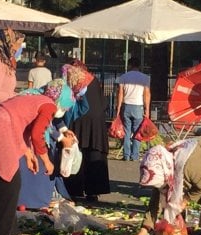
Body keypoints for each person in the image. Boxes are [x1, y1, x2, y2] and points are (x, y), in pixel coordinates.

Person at [0, 93, 75, 235]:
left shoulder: (36, 99)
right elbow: (37, 134)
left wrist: (28, 154)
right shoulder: (49, 106)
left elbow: (21, 125)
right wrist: (47, 161)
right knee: (8, 184)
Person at [17, 79, 77, 209]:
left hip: (28, 140)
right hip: (25, 141)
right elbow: (42, 129)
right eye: (64, 107)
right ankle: (34, 200)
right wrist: (61, 138)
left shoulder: (44, 97)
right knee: (37, 169)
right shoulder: (44, 103)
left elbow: (56, 119)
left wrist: (64, 130)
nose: (64, 110)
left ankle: (36, 199)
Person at [62, 60, 111, 202]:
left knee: (77, 152)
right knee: (94, 153)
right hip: (96, 121)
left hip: (79, 118)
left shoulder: (72, 80)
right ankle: (93, 191)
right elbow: (103, 102)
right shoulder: (92, 79)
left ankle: (74, 189)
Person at [115, 57, 150, 161]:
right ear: (139, 66)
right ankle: (135, 156)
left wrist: (118, 108)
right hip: (138, 106)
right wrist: (147, 109)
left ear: (129, 65)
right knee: (137, 132)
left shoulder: (123, 77)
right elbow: (146, 94)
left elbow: (120, 93)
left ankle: (126, 155)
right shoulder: (145, 78)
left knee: (126, 131)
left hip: (126, 106)